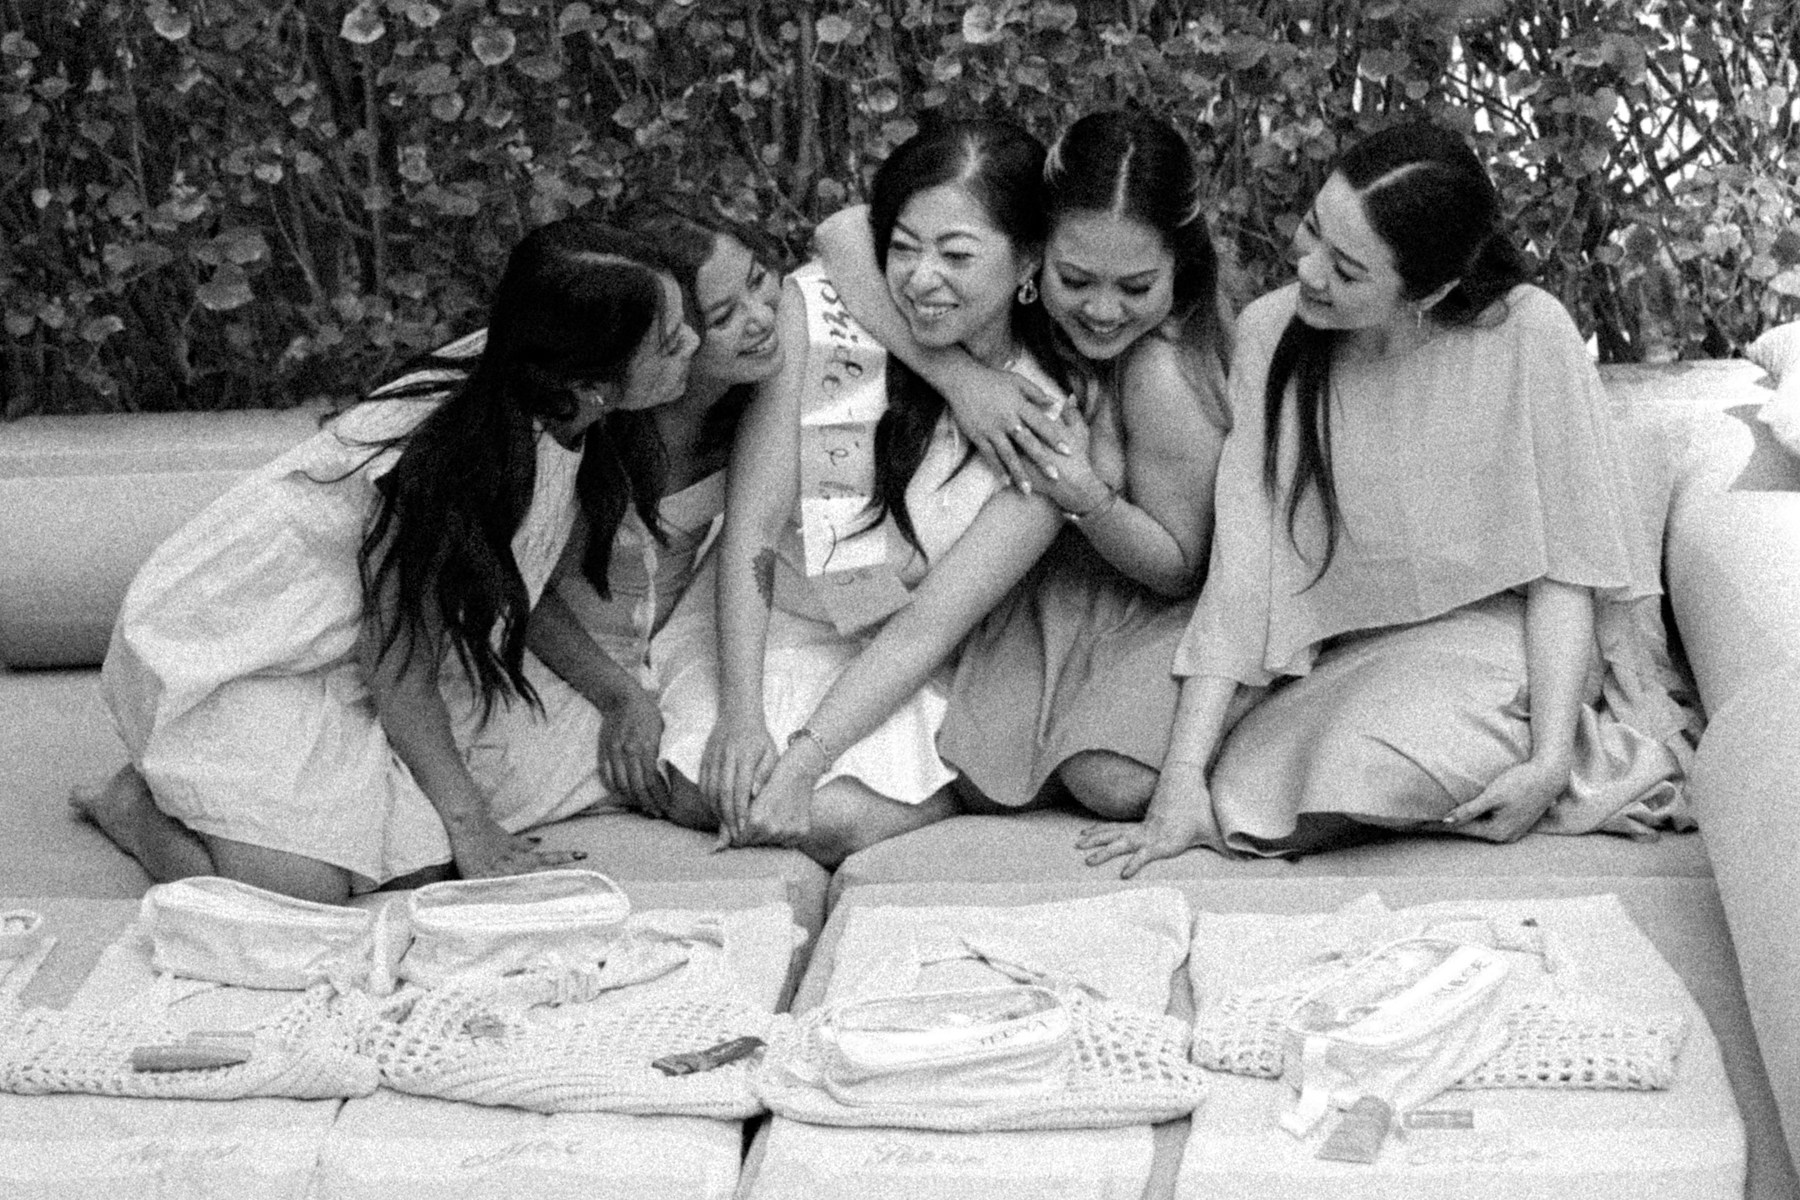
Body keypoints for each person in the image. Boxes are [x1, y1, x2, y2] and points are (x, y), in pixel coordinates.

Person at [1077, 122, 1698, 877]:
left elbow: (1564, 573)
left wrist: (1546, 759)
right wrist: (1179, 778)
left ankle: (1397, 746)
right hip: (1323, 643)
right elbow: (1246, 575)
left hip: (1494, 635)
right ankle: (1286, 748)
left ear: (1427, 292)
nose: (1306, 270)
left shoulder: (1530, 331)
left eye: (1345, 268)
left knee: (1355, 771)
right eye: (1311, 232)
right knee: (1112, 776)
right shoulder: (1274, 332)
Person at [72, 220, 701, 903]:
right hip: (233, 650)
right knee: (295, 890)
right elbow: (399, 665)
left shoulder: (548, 389)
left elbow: (516, 576)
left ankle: (228, 803)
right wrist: (477, 834)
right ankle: (132, 808)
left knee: (416, 860)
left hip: (342, 652)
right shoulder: (462, 457)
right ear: (593, 382)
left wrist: (619, 694)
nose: (693, 344)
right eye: (670, 343)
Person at [651, 118, 1070, 867]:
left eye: (957, 255)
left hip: (900, 658)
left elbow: (930, 629)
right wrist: (742, 719)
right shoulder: (823, 316)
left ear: (1028, 260)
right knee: (717, 784)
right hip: (770, 626)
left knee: (835, 816)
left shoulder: (1047, 420)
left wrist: (809, 756)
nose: (921, 278)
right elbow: (750, 530)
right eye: (904, 249)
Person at [814, 109, 1232, 817]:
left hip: (1168, 600)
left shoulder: (1160, 371)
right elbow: (842, 233)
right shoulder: (1035, 316)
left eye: (1134, 288)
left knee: (1112, 784)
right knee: (978, 769)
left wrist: (1085, 497)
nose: (1102, 309)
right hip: (1062, 590)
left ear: (1177, 268)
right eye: (1077, 279)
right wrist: (959, 379)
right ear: (1036, 256)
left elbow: (1179, 566)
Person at [367, 208, 786, 817]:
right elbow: (522, 586)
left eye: (758, 279)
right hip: (557, 660)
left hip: (661, 649)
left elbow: (849, 240)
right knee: (706, 790)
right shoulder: (603, 425)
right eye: (718, 317)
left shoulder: (754, 393)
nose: (763, 318)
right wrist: (619, 697)